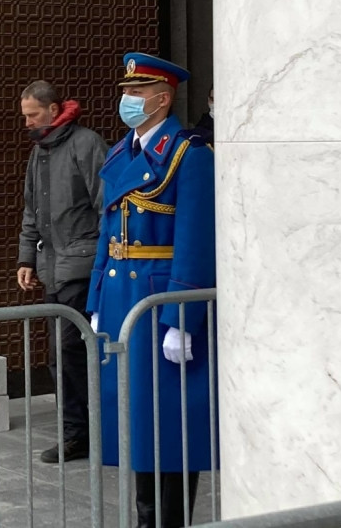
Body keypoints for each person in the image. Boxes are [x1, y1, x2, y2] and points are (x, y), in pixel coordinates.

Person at [88, 54, 215, 528]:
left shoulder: (190, 154)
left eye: (137, 92)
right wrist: (97, 299)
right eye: (126, 91)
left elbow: (196, 241)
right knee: (137, 418)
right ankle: (146, 517)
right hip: (123, 303)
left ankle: (169, 520)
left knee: (172, 423)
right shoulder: (122, 152)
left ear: (163, 98)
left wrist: (181, 320)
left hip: (161, 305)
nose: (128, 100)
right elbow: (108, 233)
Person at [17, 80, 108, 463]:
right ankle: (77, 430)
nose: (27, 123)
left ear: (53, 110)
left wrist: (105, 265)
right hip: (53, 265)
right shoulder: (40, 151)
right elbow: (31, 213)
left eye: (32, 115)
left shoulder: (86, 145)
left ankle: (82, 433)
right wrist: (25, 258)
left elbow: (107, 207)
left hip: (81, 266)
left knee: (69, 351)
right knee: (61, 354)